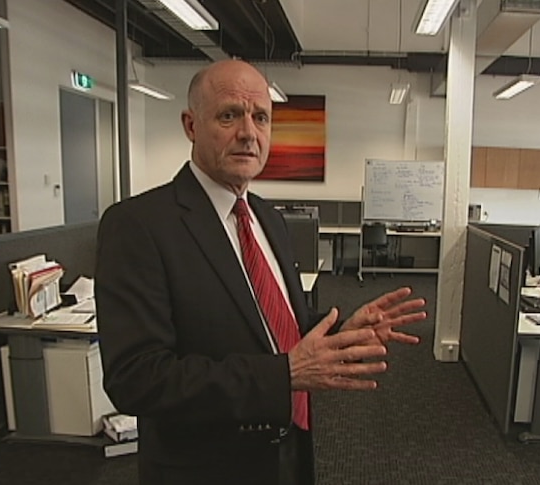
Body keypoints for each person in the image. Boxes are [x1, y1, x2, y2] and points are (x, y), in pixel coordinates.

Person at [95, 60, 427, 485]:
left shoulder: (268, 218)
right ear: (190, 124)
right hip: (206, 469)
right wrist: (283, 375)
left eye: (261, 117)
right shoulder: (139, 225)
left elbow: (275, 326)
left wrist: (343, 332)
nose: (249, 133)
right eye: (229, 115)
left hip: (288, 451)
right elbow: (136, 378)